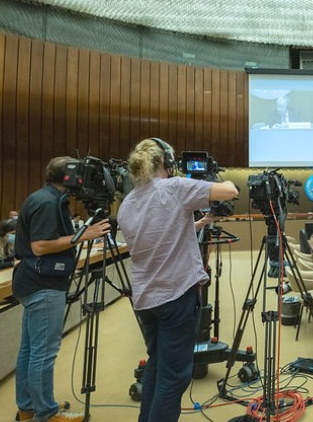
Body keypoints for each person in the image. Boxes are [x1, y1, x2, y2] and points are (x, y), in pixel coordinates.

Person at [118, 138, 238, 422]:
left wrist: (199, 223)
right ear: (167, 163)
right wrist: (195, 181)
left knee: (157, 366)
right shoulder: (174, 187)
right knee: (174, 378)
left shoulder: (128, 202)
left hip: (146, 300)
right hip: (176, 298)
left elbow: (161, 233)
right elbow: (229, 190)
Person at [13, 156, 111, 422]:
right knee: (43, 353)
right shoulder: (46, 203)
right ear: (69, 177)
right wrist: (84, 235)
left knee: (30, 350)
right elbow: (40, 246)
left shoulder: (44, 197)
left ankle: (28, 407)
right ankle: (46, 413)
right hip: (43, 284)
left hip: (34, 281)